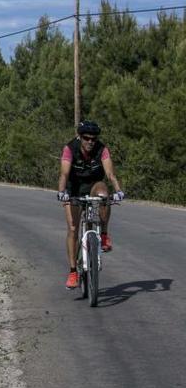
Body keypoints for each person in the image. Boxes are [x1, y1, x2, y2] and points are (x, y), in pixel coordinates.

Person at [56, 120, 125, 289]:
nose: (90, 142)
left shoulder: (102, 149)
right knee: (73, 229)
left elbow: (110, 174)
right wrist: (62, 191)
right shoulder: (70, 148)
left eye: (93, 139)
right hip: (74, 188)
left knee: (104, 195)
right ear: (80, 137)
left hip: (94, 184)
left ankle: (104, 235)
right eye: (86, 138)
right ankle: (73, 272)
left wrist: (118, 190)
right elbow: (64, 174)